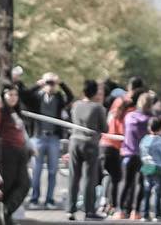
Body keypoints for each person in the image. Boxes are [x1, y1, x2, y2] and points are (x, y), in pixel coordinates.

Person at [28, 71, 72, 208]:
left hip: (53, 137)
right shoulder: (37, 97)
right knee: (37, 170)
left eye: (52, 83)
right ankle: (34, 199)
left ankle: (49, 199)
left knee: (53, 170)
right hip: (38, 136)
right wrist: (38, 85)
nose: (50, 86)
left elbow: (70, 97)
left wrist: (61, 83)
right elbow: (25, 96)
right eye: (48, 83)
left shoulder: (59, 98)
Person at [0, 82, 32, 222]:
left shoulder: (16, 111)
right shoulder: (0, 110)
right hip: (6, 151)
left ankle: (7, 210)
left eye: (15, 95)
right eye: (10, 94)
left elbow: (21, 131)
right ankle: (5, 215)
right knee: (8, 185)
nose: (13, 98)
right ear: (4, 95)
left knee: (24, 184)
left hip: (20, 151)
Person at [68, 79, 107, 222]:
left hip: (74, 141)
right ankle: (89, 210)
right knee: (89, 177)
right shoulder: (97, 108)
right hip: (90, 143)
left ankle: (70, 209)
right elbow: (104, 128)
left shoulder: (76, 105)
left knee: (74, 176)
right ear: (95, 92)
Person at [117, 92, 152, 221]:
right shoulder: (151, 120)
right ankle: (136, 211)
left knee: (125, 183)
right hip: (146, 157)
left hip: (128, 154)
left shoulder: (129, 116)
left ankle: (120, 210)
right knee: (141, 183)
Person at [137, 116, 161, 222]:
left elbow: (141, 152)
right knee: (157, 191)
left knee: (147, 190)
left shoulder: (144, 140)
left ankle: (145, 214)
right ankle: (158, 214)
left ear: (149, 128)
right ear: (160, 129)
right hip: (158, 166)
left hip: (146, 165)